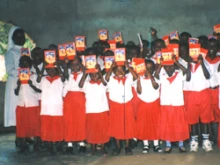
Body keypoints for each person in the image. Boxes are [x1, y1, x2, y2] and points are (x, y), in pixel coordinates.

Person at [155, 56, 190, 153]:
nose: (169, 68)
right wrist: (161, 64)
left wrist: (177, 62)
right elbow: (156, 76)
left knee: (179, 125)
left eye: (172, 66)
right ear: (164, 67)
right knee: (167, 125)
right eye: (166, 67)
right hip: (166, 103)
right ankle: (168, 144)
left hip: (177, 103)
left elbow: (187, 73)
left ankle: (181, 144)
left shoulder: (179, 74)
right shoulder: (162, 75)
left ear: (175, 67)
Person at [105, 61, 138, 155]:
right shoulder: (111, 78)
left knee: (128, 125)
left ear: (125, 71)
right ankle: (117, 146)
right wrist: (111, 67)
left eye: (122, 70)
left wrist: (128, 67)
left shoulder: (128, 78)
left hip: (127, 104)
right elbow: (106, 79)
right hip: (115, 105)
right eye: (117, 70)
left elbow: (136, 77)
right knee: (116, 125)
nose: (119, 72)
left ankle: (128, 146)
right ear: (113, 71)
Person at [184, 53, 214, 152]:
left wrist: (202, 63)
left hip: (204, 92)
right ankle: (194, 141)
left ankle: (206, 140)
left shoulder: (205, 63)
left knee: (205, 118)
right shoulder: (186, 64)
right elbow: (187, 78)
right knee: (193, 118)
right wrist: (188, 64)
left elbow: (208, 75)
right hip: (192, 93)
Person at [79, 64, 109, 155]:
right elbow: (80, 85)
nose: (95, 76)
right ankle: (93, 149)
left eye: (97, 75)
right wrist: (85, 73)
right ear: (90, 76)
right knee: (92, 130)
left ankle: (103, 148)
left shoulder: (103, 84)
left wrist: (99, 71)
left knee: (103, 129)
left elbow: (105, 82)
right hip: (91, 110)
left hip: (102, 110)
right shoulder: (87, 84)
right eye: (92, 75)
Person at [37, 60, 65, 154]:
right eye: (49, 69)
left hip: (57, 107)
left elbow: (63, 77)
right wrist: (43, 67)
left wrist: (58, 66)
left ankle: (56, 144)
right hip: (46, 108)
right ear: (46, 70)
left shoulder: (60, 80)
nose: (51, 71)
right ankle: (49, 145)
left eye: (54, 69)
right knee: (47, 127)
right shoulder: (44, 79)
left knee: (57, 127)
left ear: (57, 70)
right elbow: (38, 81)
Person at [14, 56, 41, 153]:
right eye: (22, 63)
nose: (24, 65)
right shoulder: (18, 77)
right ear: (19, 65)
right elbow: (16, 93)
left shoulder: (34, 76)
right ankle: (23, 144)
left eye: (26, 63)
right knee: (22, 125)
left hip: (32, 103)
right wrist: (18, 84)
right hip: (22, 104)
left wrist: (31, 84)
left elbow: (39, 90)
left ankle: (37, 143)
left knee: (35, 124)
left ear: (30, 65)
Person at [135, 60, 162, 153]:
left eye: (150, 68)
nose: (148, 70)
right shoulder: (140, 78)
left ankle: (156, 144)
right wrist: (138, 79)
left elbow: (155, 86)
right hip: (143, 103)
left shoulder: (156, 77)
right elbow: (139, 91)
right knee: (144, 124)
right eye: (146, 68)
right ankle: (145, 144)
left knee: (155, 124)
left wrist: (152, 78)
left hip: (154, 103)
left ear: (154, 69)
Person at [63, 57, 86, 154]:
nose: (74, 67)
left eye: (77, 64)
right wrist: (66, 64)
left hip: (80, 98)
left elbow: (85, 72)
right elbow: (64, 75)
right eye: (72, 65)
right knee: (70, 120)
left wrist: (81, 65)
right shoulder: (69, 74)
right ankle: (69, 143)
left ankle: (81, 142)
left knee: (81, 120)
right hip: (69, 99)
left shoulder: (85, 74)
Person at [4, 27, 25, 127]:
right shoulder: (11, 52)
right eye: (18, 36)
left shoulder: (26, 51)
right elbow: (10, 70)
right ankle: (19, 135)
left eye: (23, 35)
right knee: (16, 106)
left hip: (26, 82)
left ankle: (25, 134)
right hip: (15, 82)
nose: (21, 38)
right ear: (13, 38)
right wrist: (24, 73)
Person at [205, 39, 220, 144]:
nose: (211, 49)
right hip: (207, 90)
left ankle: (217, 136)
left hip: (218, 90)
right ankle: (210, 137)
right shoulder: (203, 60)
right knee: (208, 115)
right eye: (209, 46)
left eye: (214, 46)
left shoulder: (219, 60)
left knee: (218, 115)